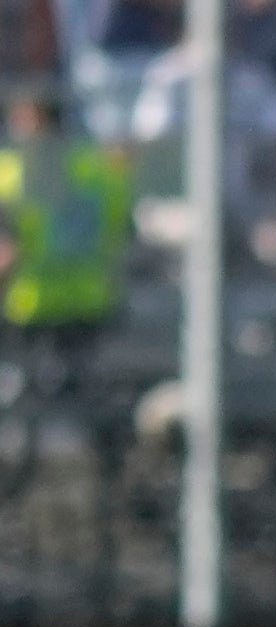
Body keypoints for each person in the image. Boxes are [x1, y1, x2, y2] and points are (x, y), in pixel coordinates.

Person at [0, 89, 129, 419]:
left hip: (32, 302)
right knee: (87, 391)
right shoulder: (99, 168)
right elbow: (119, 227)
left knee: (24, 396)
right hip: (90, 298)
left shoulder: (12, 173)